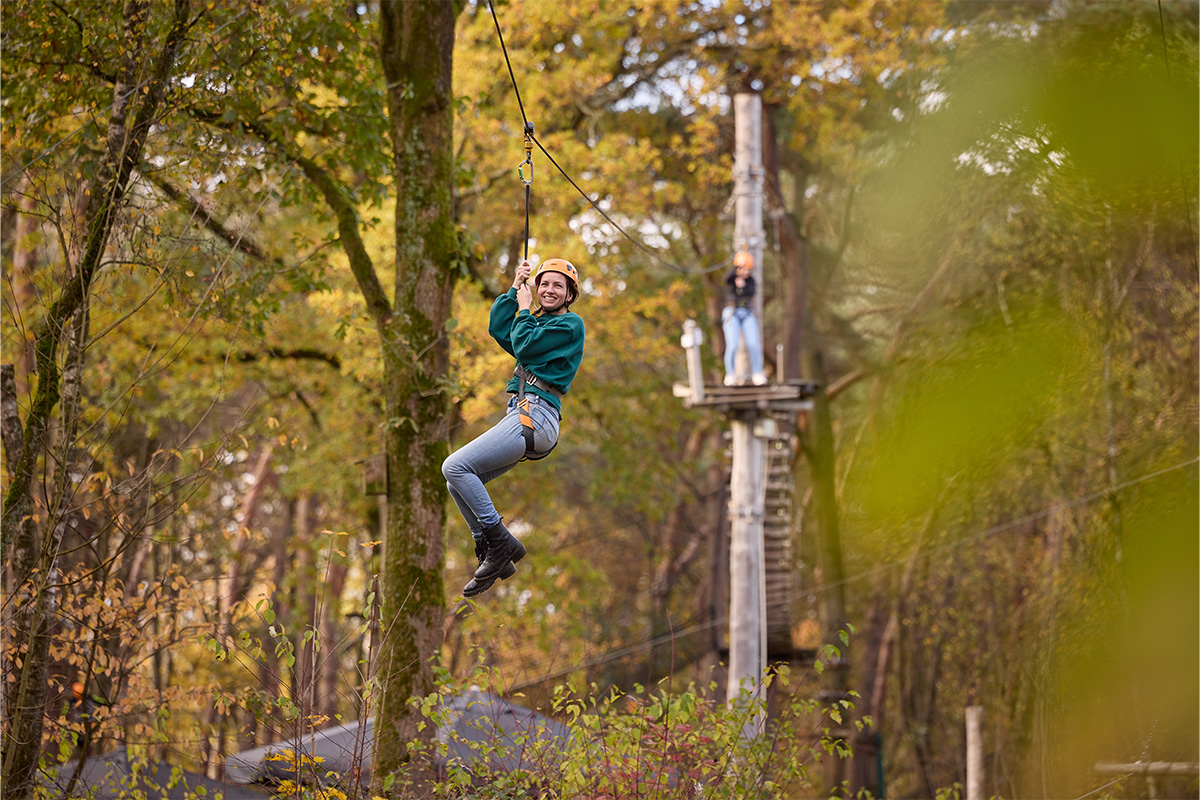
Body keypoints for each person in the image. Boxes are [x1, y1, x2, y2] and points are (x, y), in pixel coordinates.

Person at [442, 258, 586, 597]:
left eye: (558, 286)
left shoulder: (570, 326)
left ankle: (499, 540)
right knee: (456, 482)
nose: (549, 290)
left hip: (536, 416)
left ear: (569, 295)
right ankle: (492, 550)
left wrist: (523, 308)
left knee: (454, 465)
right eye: (544, 284)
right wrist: (513, 289)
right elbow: (500, 330)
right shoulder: (536, 325)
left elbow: (523, 344)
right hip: (521, 415)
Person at [722, 250, 767, 386]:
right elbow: (725, 278)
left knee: (753, 343)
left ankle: (757, 372)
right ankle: (730, 373)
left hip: (747, 313)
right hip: (732, 312)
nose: (746, 272)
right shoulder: (731, 279)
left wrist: (743, 284)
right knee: (732, 345)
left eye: (748, 270)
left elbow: (752, 292)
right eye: (743, 269)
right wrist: (737, 268)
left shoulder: (751, 281)